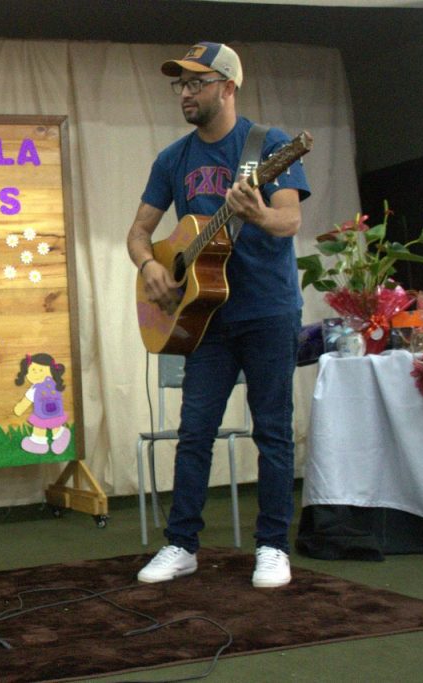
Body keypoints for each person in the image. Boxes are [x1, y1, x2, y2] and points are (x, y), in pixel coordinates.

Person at [127, 43, 310, 588]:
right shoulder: (172, 160)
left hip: (268, 309)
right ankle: (181, 543)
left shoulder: (268, 146)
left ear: (228, 87)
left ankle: (273, 546)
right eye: (180, 85)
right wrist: (150, 267)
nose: (185, 93)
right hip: (204, 316)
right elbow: (139, 233)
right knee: (194, 431)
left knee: (272, 430)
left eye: (196, 83)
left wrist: (258, 212)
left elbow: (290, 220)